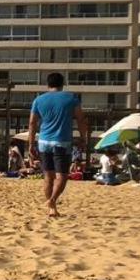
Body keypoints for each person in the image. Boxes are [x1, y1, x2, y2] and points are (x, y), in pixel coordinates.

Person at [26, 72, 88, 218]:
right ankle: (52, 201)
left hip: (44, 142)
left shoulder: (39, 100)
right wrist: (83, 137)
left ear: (48, 84)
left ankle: (51, 208)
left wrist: (30, 144)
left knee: (48, 176)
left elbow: (32, 123)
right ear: (62, 84)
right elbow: (81, 119)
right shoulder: (71, 98)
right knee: (62, 176)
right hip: (62, 141)